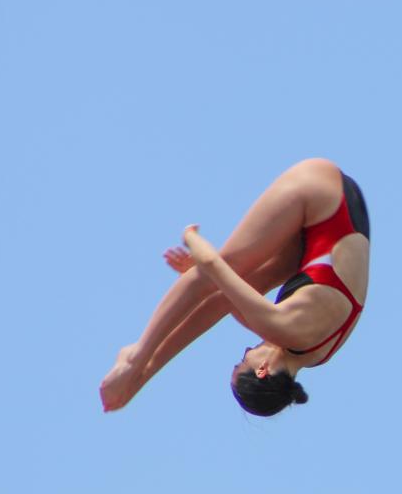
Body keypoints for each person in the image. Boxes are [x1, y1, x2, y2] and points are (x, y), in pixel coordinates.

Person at [99, 158, 370, 416]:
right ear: (263, 370)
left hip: (329, 226)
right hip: (321, 194)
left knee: (232, 286)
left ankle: (140, 369)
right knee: (217, 273)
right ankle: (136, 358)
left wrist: (146, 376)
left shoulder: (316, 355)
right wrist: (190, 237)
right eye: (244, 360)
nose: (249, 350)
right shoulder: (282, 327)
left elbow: (221, 302)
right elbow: (212, 264)